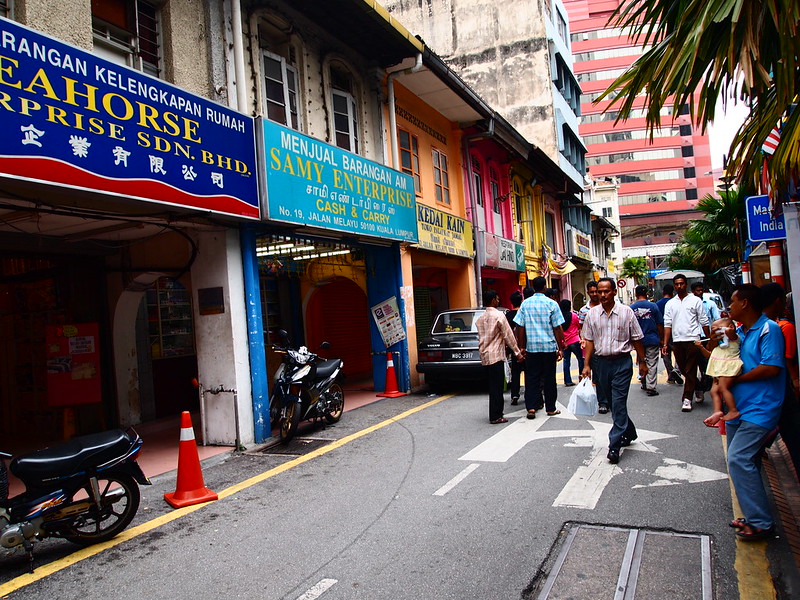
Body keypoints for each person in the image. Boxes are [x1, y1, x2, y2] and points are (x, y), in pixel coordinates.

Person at [703, 284, 786, 541]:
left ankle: (761, 522)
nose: (729, 306)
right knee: (741, 460)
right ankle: (753, 515)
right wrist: (715, 338)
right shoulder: (741, 331)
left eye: (733, 302)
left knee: (739, 459)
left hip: (760, 408)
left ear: (746, 304)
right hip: (740, 409)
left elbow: (771, 367)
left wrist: (735, 380)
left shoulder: (768, 329)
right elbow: (720, 350)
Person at [581, 278, 648, 464]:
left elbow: (637, 339)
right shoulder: (592, 314)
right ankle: (630, 432)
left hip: (622, 363)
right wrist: (586, 365)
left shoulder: (626, 313)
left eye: (606, 291)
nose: (602, 295)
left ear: (614, 292)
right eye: (599, 291)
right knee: (612, 402)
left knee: (618, 403)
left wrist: (642, 361)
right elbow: (589, 341)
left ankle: (614, 446)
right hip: (601, 364)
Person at [761, 283, 800, 481]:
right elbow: (785, 358)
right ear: (778, 301)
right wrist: (794, 379)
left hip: (768, 394)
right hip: (777, 392)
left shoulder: (757, 327)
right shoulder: (776, 327)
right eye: (783, 300)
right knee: (792, 434)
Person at [514, 276, 565, 419]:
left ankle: (531, 407)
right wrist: (560, 347)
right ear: (544, 287)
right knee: (549, 378)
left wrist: (522, 346)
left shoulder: (525, 304)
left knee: (531, 378)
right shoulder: (552, 304)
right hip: (548, 348)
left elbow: (520, 326)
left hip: (532, 348)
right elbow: (557, 328)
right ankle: (550, 408)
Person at [662, 273, 710, 412]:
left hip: (693, 339)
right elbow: (667, 324)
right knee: (683, 369)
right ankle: (699, 386)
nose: (679, 286)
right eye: (676, 284)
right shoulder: (670, 303)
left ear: (686, 284)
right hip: (677, 340)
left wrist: (709, 340)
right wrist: (665, 343)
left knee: (690, 369)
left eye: (681, 283)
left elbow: (704, 321)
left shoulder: (695, 300)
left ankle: (687, 399)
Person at [476, 290, 524, 424]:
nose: (498, 301)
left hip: (485, 355)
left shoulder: (481, 318)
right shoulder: (499, 316)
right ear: (492, 300)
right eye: (497, 299)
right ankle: (496, 415)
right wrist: (517, 353)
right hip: (496, 355)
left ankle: (495, 413)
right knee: (497, 387)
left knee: (493, 387)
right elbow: (509, 336)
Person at [696, 317, 743, 421]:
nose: (715, 332)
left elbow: (731, 332)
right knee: (714, 391)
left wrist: (726, 330)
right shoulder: (719, 344)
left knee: (723, 388)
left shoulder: (733, 338)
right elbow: (709, 355)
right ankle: (717, 411)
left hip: (728, 367)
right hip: (719, 370)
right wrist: (701, 347)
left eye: (717, 329)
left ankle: (733, 410)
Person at [630, 285, 663, 396]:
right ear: (647, 293)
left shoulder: (631, 308)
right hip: (652, 338)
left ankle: (644, 382)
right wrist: (661, 339)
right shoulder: (653, 306)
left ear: (636, 294)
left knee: (641, 360)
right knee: (652, 362)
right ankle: (651, 387)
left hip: (637, 340)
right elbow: (659, 324)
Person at [656, 284, 683, 385]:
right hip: (676, 332)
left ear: (663, 292)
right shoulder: (676, 303)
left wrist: (661, 336)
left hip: (663, 332)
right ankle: (677, 370)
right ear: (673, 292)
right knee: (679, 353)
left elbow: (657, 321)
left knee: (665, 353)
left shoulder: (657, 304)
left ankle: (670, 375)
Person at [506, 290, 524, 405]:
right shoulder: (523, 313)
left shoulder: (508, 315)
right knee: (529, 371)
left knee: (515, 372)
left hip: (514, 347)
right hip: (525, 346)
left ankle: (515, 394)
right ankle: (530, 394)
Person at [559, 299, 583, 387]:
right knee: (580, 359)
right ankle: (582, 377)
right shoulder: (574, 316)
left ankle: (568, 380)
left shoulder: (559, 317)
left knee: (566, 361)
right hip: (575, 340)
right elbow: (579, 326)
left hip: (564, 342)